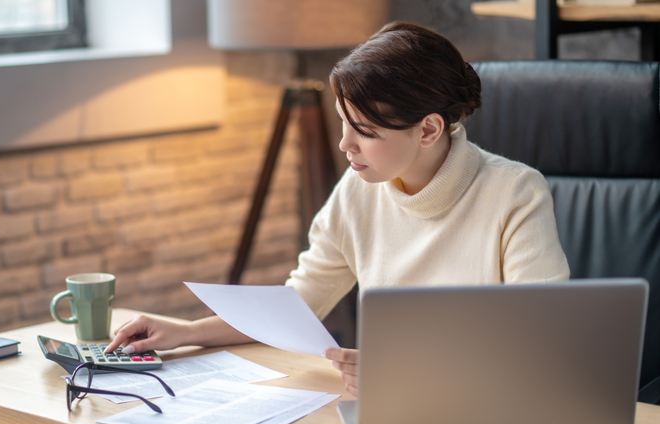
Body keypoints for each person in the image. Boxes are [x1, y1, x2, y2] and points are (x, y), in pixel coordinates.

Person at [106, 21, 570, 397]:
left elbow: (542, 340)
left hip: (487, 412)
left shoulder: (515, 193)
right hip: (394, 411)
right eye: (343, 124)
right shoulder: (359, 190)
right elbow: (297, 305)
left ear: (429, 129)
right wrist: (185, 331)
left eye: (364, 131)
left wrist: (407, 373)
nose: (345, 145)